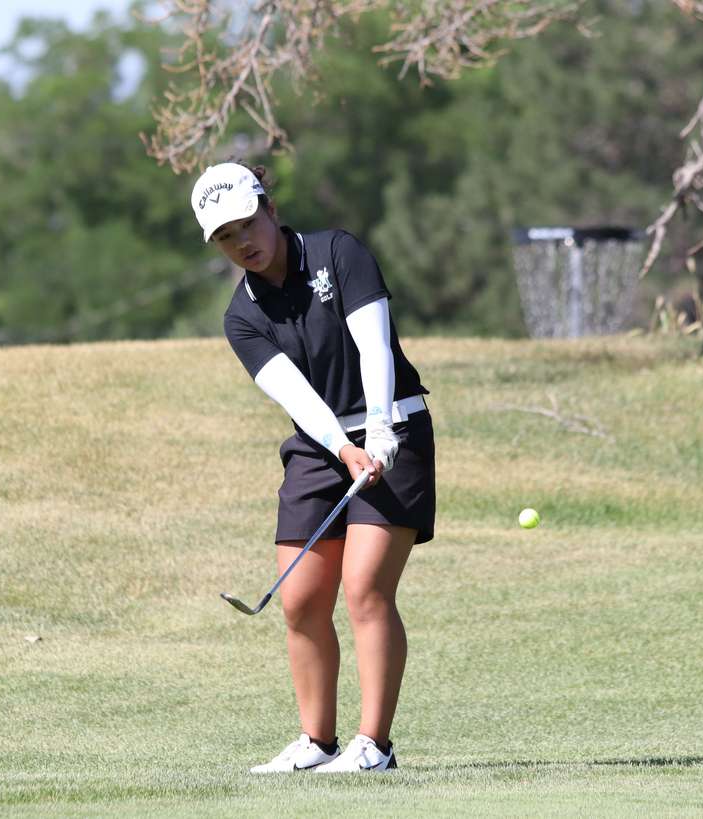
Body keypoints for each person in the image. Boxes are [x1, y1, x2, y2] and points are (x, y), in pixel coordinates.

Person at [191, 162, 436, 773]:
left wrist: (378, 429)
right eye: (225, 237)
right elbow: (295, 396)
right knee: (300, 600)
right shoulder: (242, 317)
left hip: (392, 426)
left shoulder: (338, 254)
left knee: (364, 589)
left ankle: (373, 746)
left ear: (270, 210)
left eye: (247, 224)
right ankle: (315, 743)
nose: (241, 242)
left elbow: (372, 344)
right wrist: (343, 445)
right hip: (321, 444)